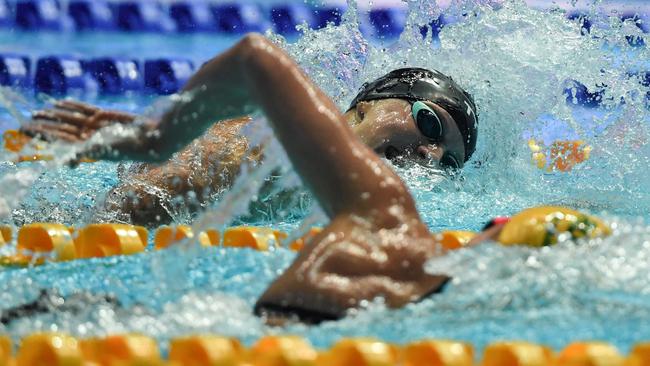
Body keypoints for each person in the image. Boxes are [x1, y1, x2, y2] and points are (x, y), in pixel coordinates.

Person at [20, 33, 478, 321]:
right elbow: (116, 223)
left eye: (448, 161)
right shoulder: (254, 146)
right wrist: (156, 140)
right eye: (430, 124)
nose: (430, 154)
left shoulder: (356, 201)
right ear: (367, 102)